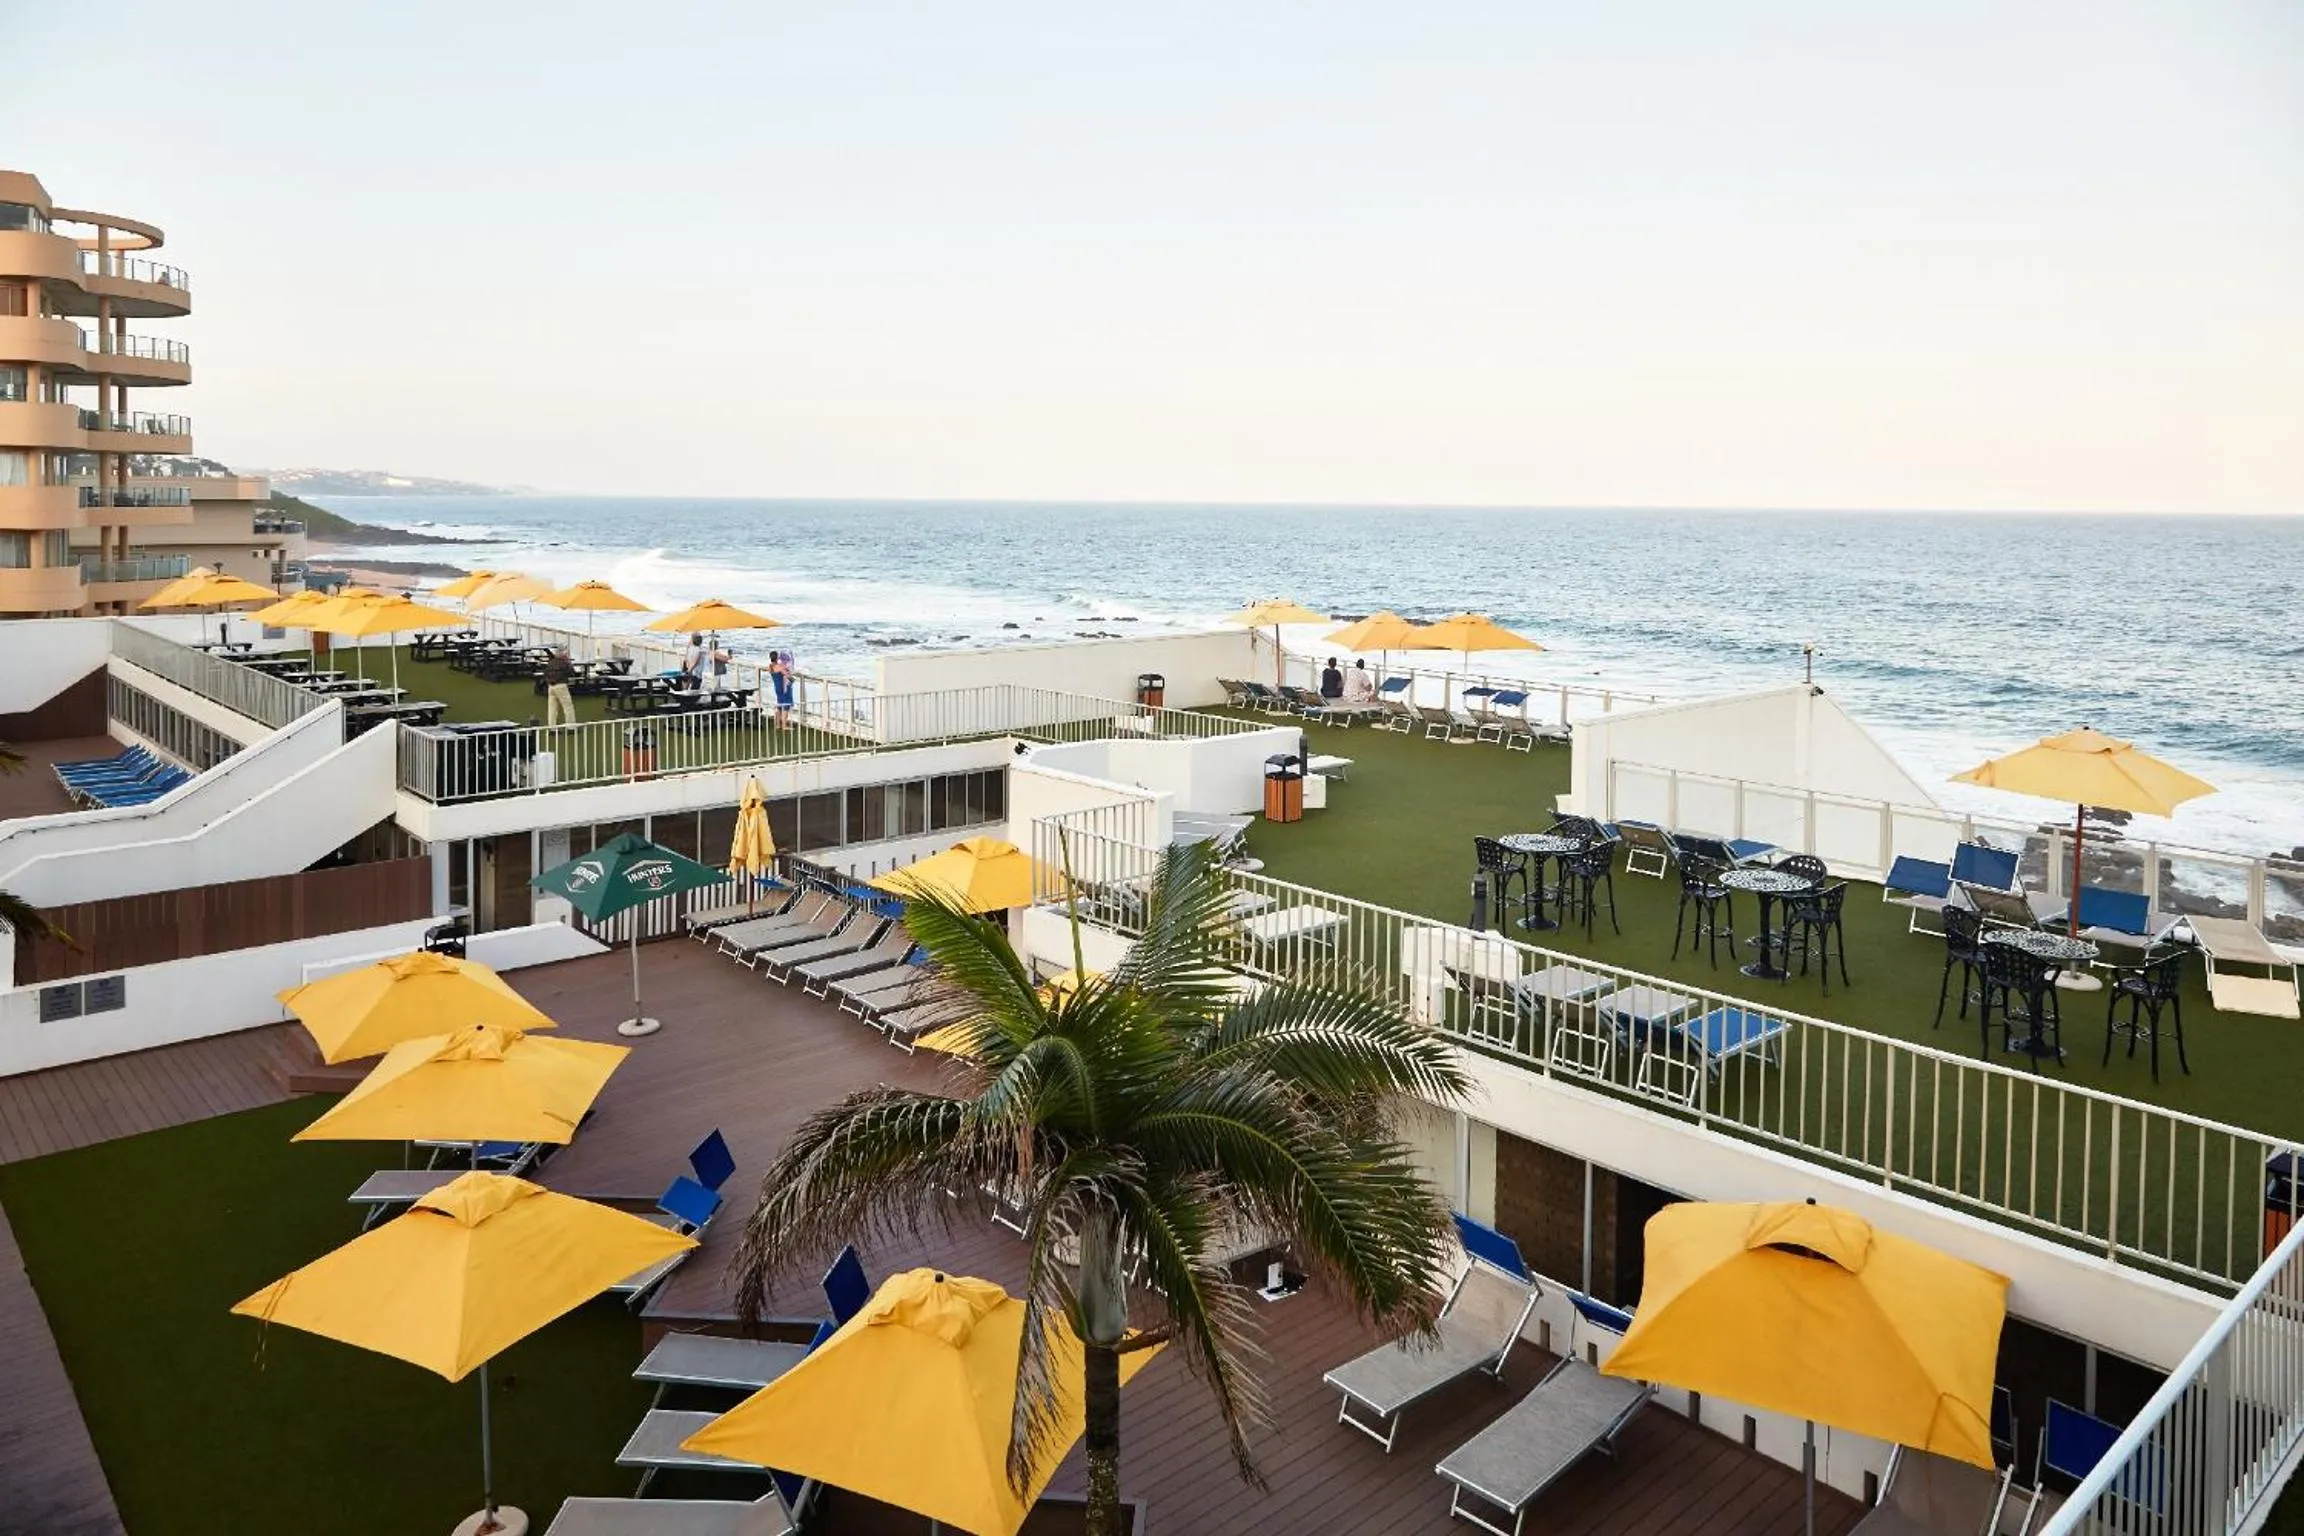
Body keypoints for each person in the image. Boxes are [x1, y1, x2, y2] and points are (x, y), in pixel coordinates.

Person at [543, 646, 577, 726]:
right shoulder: (564, 662)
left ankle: (552, 728)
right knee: (568, 707)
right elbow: (572, 673)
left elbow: (545, 673)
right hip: (561, 685)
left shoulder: (551, 662)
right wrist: (569, 662)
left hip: (551, 686)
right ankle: (571, 727)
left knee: (552, 708)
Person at [769, 650, 796, 727]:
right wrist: (790, 675)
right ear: (777, 657)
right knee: (786, 705)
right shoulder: (780, 667)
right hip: (784, 688)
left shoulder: (770, 666)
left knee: (779, 705)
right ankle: (784, 725)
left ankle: (777, 724)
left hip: (777, 688)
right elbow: (790, 678)